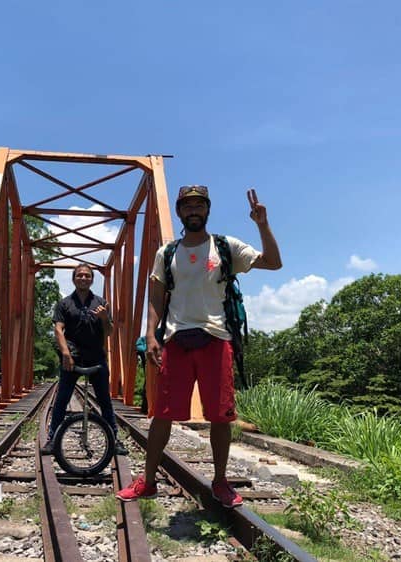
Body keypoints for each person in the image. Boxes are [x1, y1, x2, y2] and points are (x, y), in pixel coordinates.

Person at [116, 185, 282, 507]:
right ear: (179, 212)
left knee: (221, 417)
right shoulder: (166, 253)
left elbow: (273, 263)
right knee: (161, 415)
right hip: (177, 341)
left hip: (216, 340)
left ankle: (220, 483)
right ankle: (148, 482)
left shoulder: (224, 246)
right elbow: (156, 299)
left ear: (207, 210)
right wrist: (151, 335)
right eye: (187, 206)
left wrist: (262, 224)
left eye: (199, 206)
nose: (193, 211)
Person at [41, 263, 128, 456]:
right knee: (62, 399)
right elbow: (58, 330)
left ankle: (114, 440)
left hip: (96, 357)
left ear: (92, 279)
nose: (83, 278)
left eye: (87, 276)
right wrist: (65, 354)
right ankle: (52, 439)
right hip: (72, 357)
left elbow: (110, 332)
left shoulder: (101, 303)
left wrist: (105, 318)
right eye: (79, 275)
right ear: (74, 279)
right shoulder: (65, 303)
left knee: (105, 400)